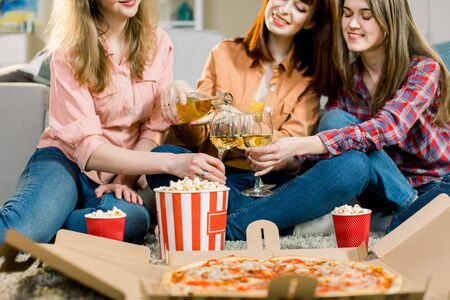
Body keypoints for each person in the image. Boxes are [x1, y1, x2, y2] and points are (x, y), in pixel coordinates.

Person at [0, 0, 225, 245]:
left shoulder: (158, 43)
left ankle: (51, 224)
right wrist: (171, 162)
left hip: (121, 171)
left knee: (131, 222)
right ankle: (43, 223)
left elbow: (152, 130)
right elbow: (89, 149)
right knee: (19, 232)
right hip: (66, 162)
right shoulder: (69, 50)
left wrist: (124, 180)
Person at [147, 0, 372, 241]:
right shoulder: (225, 53)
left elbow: (292, 151)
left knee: (355, 165)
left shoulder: (308, 77)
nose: (284, 9)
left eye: (299, 7)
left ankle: (228, 227)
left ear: (310, 21)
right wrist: (184, 103)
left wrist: (242, 125)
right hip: (219, 178)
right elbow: (197, 136)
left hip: (274, 185)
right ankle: (282, 222)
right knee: (162, 157)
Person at [248, 0, 449, 233]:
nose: (353, 24)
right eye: (347, 14)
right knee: (334, 122)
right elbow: (334, 143)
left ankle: (410, 214)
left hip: (432, 186)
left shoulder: (424, 69)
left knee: (343, 127)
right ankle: (409, 217)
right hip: (379, 194)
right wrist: (291, 160)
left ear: (390, 22)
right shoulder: (349, 78)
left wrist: (299, 144)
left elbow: (387, 128)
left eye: (366, 16)